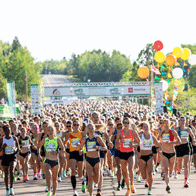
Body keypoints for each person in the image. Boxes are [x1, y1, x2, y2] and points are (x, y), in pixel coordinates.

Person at [116, 117, 140, 196]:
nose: (126, 124)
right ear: (123, 123)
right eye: (124, 123)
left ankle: (132, 184)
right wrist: (121, 141)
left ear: (129, 124)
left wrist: (134, 145)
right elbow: (116, 145)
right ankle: (128, 189)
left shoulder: (133, 132)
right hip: (122, 153)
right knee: (125, 172)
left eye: (127, 123)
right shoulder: (120, 133)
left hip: (130, 153)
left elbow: (139, 142)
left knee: (130, 169)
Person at [38, 125, 65, 196]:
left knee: (54, 179)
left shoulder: (57, 139)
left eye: (52, 130)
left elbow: (63, 149)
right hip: (47, 160)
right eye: (49, 130)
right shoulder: (45, 140)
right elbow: (39, 146)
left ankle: (54, 193)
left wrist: (57, 152)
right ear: (46, 132)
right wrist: (39, 155)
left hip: (55, 161)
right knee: (48, 175)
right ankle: (49, 190)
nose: (50, 131)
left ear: (54, 131)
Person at [81, 123, 107, 196]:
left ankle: (96, 187)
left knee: (96, 180)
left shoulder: (98, 138)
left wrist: (98, 147)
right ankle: (91, 194)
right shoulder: (85, 139)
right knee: (89, 178)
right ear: (87, 130)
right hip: (88, 160)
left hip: (96, 160)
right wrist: (81, 150)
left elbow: (105, 147)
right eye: (89, 128)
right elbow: (81, 147)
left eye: (92, 128)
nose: (91, 130)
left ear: (94, 129)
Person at [157, 119, 181, 193]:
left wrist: (172, 142)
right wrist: (159, 147)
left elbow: (179, 141)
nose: (166, 126)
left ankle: (170, 174)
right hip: (164, 153)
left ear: (170, 125)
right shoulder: (161, 133)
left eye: (167, 125)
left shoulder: (172, 132)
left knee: (171, 171)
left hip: (172, 153)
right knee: (166, 170)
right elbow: (157, 141)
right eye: (165, 125)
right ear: (162, 125)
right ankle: (168, 186)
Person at [64, 119, 86, 196]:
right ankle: (74, 190)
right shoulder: (69, 134)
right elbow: (65, 142)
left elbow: (84, 143)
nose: (76, 126)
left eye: (77, 125)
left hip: (80, 153)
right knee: (73, 171)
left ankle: (83, 181)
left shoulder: (82, 133)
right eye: (74, 125)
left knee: (80, 173)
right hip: (72, 153)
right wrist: (67, 147)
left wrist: (81, 148)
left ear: (79, 126)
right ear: (72, 126)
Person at [175, 116, 195, 187]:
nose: (183, 121)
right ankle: (178, 168)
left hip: (186, 146)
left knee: (186, 164)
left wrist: (194, 140)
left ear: (185, 121)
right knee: (180, 165)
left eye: (184, 120)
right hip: (179, 147)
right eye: (181, 120)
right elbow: (172, 137)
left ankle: (186, 181)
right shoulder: (176, 129)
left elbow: (192, 136)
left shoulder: (188, 129)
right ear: (179, 121)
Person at [0, 125, 20, 196]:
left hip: (12, 156)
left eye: (8, 130)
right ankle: (7, 189)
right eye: (6, 131)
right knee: (6, 174)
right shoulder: (2, 140)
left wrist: (15, 150)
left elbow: (18, 148)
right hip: (5, 157)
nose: (8, 132)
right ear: (4, 132)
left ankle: (11, 187)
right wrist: (2, 147)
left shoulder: (14, 138)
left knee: (11, 171)